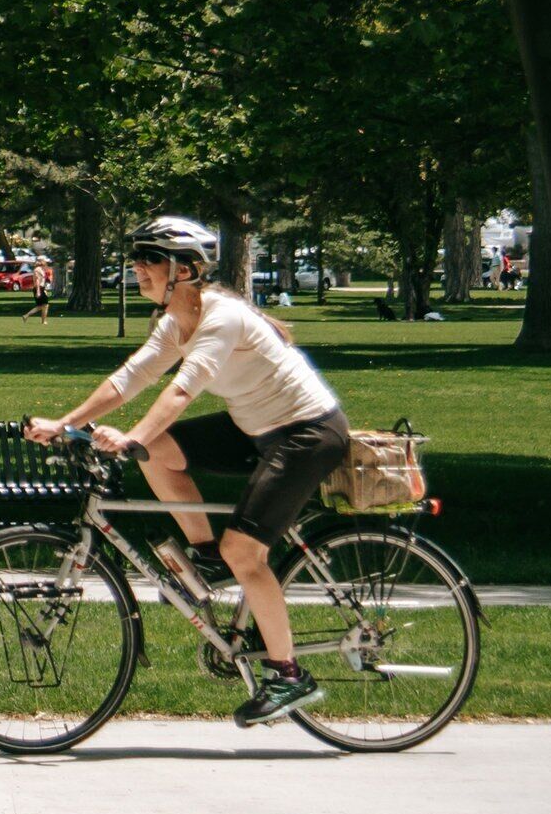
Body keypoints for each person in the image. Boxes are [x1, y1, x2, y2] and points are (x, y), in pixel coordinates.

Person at [28, 215, 353, 727]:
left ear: (185, 270)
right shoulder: (173, 322)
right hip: (256, 427)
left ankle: (289, 675)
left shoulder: (221, 317)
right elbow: (130, 377)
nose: (138, 268)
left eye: (150, 259)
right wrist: (64, 423)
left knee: (245, 550)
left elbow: (182, 389)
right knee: (160, 452)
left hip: (306, 433)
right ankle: (207, 559)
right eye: (137, 258)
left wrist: (131, 436)